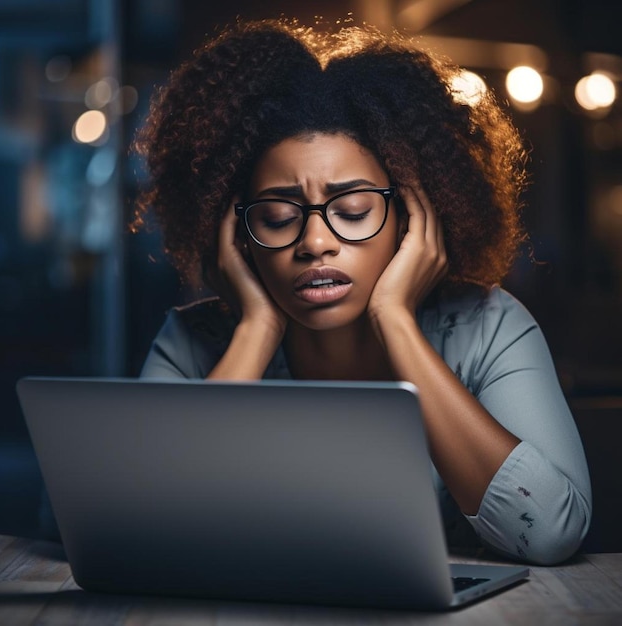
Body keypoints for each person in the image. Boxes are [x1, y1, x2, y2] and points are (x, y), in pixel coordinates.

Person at [132, 18, 591, 565]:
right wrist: (256, 330)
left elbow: (552, 532)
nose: (315, 242)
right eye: (278, 217)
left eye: (351, 211)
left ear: (411, 217)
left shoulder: (489, 328)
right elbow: (132, 524)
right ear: (239, 236)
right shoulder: (194, 341)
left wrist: (396, 320)